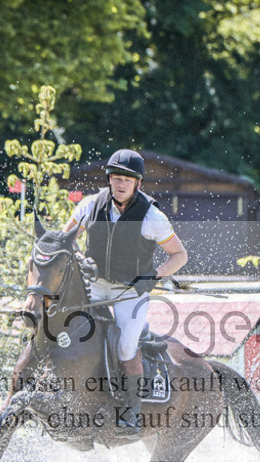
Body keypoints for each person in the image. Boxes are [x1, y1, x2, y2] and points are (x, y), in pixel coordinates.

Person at [63, 149, 188, 435]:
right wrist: (78, 257)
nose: (120, 184)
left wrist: (153, 277)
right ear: (109, 179)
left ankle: (130, 412)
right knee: (65, 327)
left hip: (130, 292)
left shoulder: (152, 216)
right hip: (93, 286)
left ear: (138, 184)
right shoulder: (88, 207)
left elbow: (179, 255)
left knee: (126, 346)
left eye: (127, 180)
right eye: (116, 178)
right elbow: (65, 240)